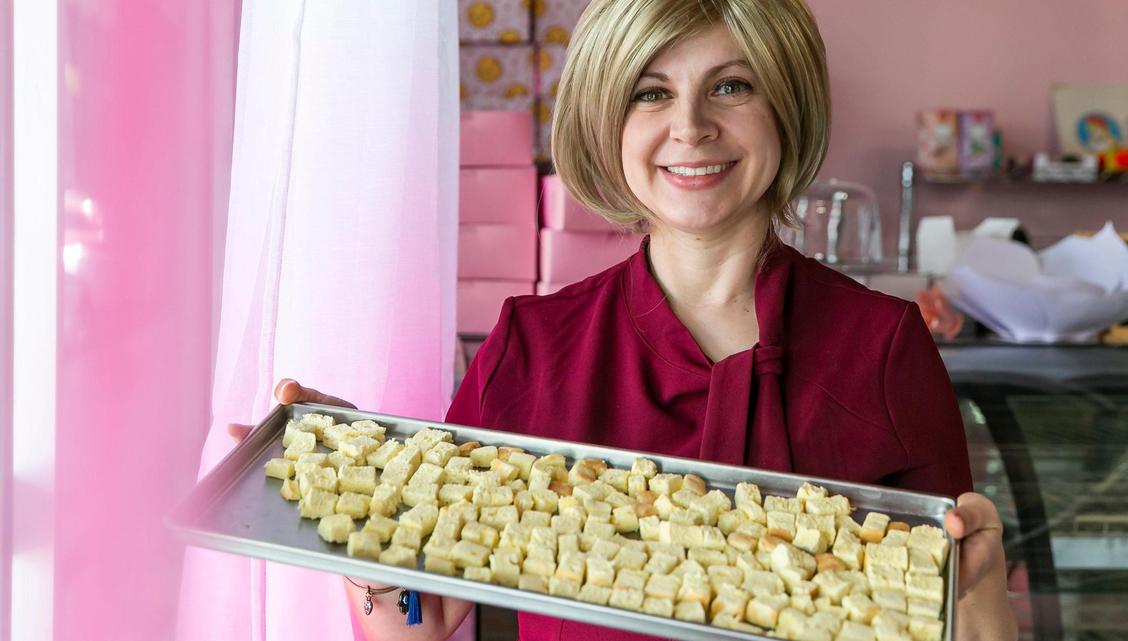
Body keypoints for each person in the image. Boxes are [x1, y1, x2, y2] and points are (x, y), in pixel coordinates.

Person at [235, 0, 1017, 639]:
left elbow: (951, 615)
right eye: (651, 93)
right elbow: (424, 615)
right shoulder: (534, 349)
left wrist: (977, 592)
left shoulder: (881, 348)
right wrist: (357, 501)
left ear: (787, 105)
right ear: (608, 124)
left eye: (731, 86)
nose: (691, 127)